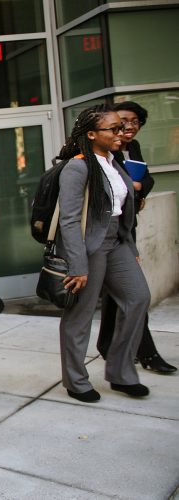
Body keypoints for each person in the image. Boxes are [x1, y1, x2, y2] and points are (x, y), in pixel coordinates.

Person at [55, 104, 150, 403]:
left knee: (138, 298)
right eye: (113, 129)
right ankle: (76, 380)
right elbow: (69, 219)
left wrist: (130, 247)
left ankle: (121, 373)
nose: (121, 133)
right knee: (80, 315)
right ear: (92, 134)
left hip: (117, 242)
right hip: (88, 246)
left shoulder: (113, 161)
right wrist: (77, 264)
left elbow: (123, 211)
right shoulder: (78, 166)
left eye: (121, 128)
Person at [96, 101, 175, 374]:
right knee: (132, 294)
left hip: (126, 232)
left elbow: (147, 179)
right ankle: (148, 353)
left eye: (135, 122)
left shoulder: (135, 149)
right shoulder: (107, 150)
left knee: (119, 294)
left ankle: (107, 344)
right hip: (107, 233)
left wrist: (139, 191)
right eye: (124, 121)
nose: (129, 127)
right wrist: (133, 186)